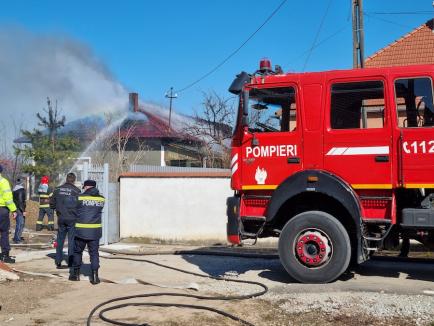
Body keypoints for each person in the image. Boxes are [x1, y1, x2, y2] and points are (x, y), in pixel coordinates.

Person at [69, 179, 104, 284]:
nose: (83, 188)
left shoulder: (79, 197)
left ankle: (75, 275)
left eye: (84, 186)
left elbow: (73, 210)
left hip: (81, 231)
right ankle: (94, 277)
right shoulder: (102, 199)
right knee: (94, 253)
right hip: (95, 232)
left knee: (77, 252)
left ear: (87, 187)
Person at [50, 173, 80, 269]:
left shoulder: (57, 189)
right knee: (72, 240)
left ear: (66, 179)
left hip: (61, 218)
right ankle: (70, 262)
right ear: (74, 180)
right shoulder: (77, 191)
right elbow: (79, 206)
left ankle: (58, 261)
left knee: (60, 240)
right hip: (72, 219)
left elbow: (51, 204)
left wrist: (58, 209)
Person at [0, 165, 17, 263]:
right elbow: (8, 199)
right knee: (4, 232)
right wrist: (14, 210)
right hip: (2, 210)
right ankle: (5, 255)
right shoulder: (3, 182)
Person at [12, 178, 26, 244]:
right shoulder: (21, 190)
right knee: (20, 224)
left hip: (16, 208)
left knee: (20, 224)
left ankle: (17, 237)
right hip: (19, 209)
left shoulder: (14, 190)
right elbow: (20, 201)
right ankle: (17, 239)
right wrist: (23, 210)